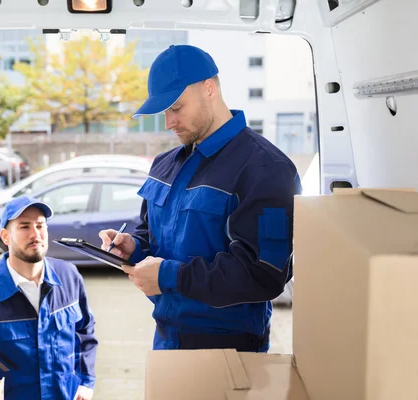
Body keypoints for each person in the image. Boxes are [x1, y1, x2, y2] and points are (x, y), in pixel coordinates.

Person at [99, 44, 302, 352]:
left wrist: (170, 276)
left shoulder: (266, 169)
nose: (169, 122)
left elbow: (264, 275)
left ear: (209, 89)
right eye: (164, 112)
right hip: (166, 339)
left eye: (176, 108)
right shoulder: (163, 165)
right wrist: (133, 247)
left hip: (229, 349)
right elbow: (152, 234)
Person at [0, 196, 97, 400]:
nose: (35, 234)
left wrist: (86, 382)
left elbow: (85, 333)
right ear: (5, 236)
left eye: (40, 225)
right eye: (24, 226)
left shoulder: (69, 276)